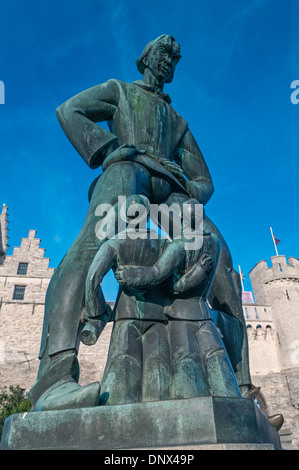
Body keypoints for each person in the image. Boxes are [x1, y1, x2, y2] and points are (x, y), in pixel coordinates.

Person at [29, 34, 251, 411]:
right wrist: (111, 150)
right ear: (146, 58)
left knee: (221, 262)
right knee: (92, 242)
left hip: (172, 192)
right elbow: (69, 111)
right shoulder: (118, 91)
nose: (169, 63)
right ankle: (53, 381)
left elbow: (206, 181)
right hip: (129, 170)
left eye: (175, 60)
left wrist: (183, 186)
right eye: (163, 54)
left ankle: (242, 389)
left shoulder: (178, 122)